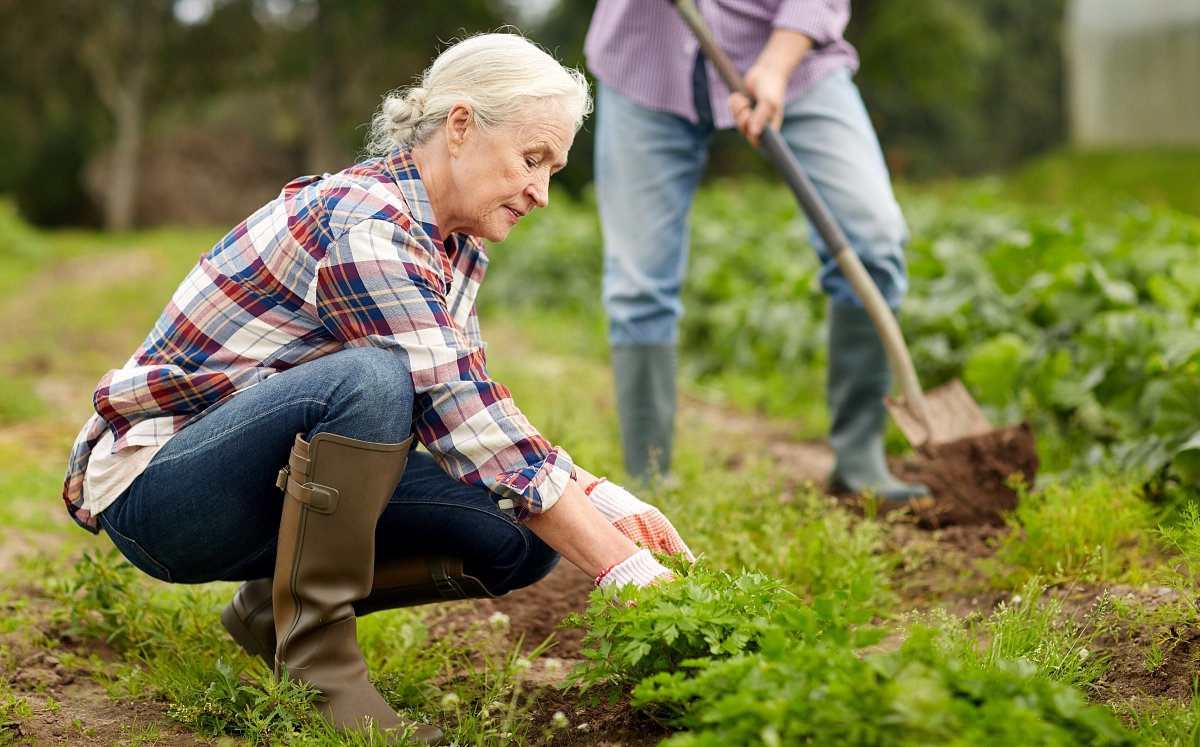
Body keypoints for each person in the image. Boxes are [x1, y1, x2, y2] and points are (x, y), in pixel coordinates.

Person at [60, 32, 693, 746]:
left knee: (520, 534)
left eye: (552, 167)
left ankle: (273, 612)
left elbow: (473, 405)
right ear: (460, 126)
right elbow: (462, 417)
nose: (542, 192)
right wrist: (621, 566)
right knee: (373, 378)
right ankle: (321, 668)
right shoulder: (371, 224)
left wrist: (607, 500)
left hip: (259, 479)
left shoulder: (452, 243)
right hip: (161, 490)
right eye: (532, 159)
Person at [585, 0, 929, 500]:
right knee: (639, 280)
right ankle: (649, 481)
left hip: (795, 61)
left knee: (872, 239)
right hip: (645, 64)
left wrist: (774, 64)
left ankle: (861, 462)